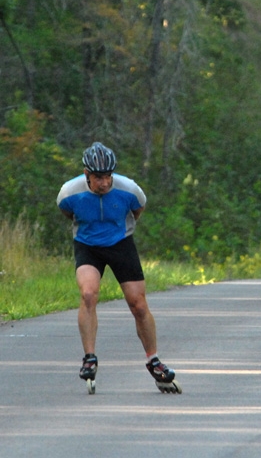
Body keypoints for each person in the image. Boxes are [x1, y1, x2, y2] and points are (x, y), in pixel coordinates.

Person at [56, 142, 180, 392]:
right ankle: (89, 358)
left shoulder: (129, 189)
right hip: (87, 245)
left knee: (138, 304)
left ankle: (153, 360)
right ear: (86, 174)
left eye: (108, 176)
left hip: (121, 242)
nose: (104, 183)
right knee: (88, 294)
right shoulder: (69, 193)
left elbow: (138, 210)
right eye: (98, 177)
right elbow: (68, 213)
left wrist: (118, 231)